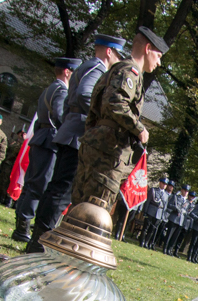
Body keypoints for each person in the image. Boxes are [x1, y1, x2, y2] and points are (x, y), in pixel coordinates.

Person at [26, 34, 126, 252]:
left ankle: (38, 239)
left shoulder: (86, 66)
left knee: (56, 189)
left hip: (70, 131)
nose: (118, 60)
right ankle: (40, 243)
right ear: (109, 52)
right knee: (61, 192)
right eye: (118, 55)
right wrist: (98, 118)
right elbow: (84, 94)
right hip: (77, 135)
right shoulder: (97, 68)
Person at [71, 27, 169, 213]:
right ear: (147, 48)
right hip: (107, 150)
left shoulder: (118, 69)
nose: (159, 63)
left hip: (97, 143)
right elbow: (115, 102)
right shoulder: (130, 72)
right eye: (158, 56)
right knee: (95, 209)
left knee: (80, 206)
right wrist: (140, 129)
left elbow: (95, 109)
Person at [13, 57, 78, 242]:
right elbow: (59, 114)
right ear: (67, 72)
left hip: (42, 137)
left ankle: (21, 225)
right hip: (49, 139)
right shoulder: (61, 90)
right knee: (38, 186)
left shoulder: (51, 87)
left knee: (32, 184)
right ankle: (22, 228)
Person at [139, 177, 171, 247]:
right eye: (163, 183)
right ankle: (142, 241)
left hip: (159, 213)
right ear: (160, 183)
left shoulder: (166, 195)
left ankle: (147, 242)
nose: (164, 185)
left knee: (152, 229)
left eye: (165, 184)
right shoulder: (153, 190)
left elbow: (165, 206)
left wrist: (163, 216)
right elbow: (147, 202)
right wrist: (145, 211)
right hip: (151, 211)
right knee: (145, 227)